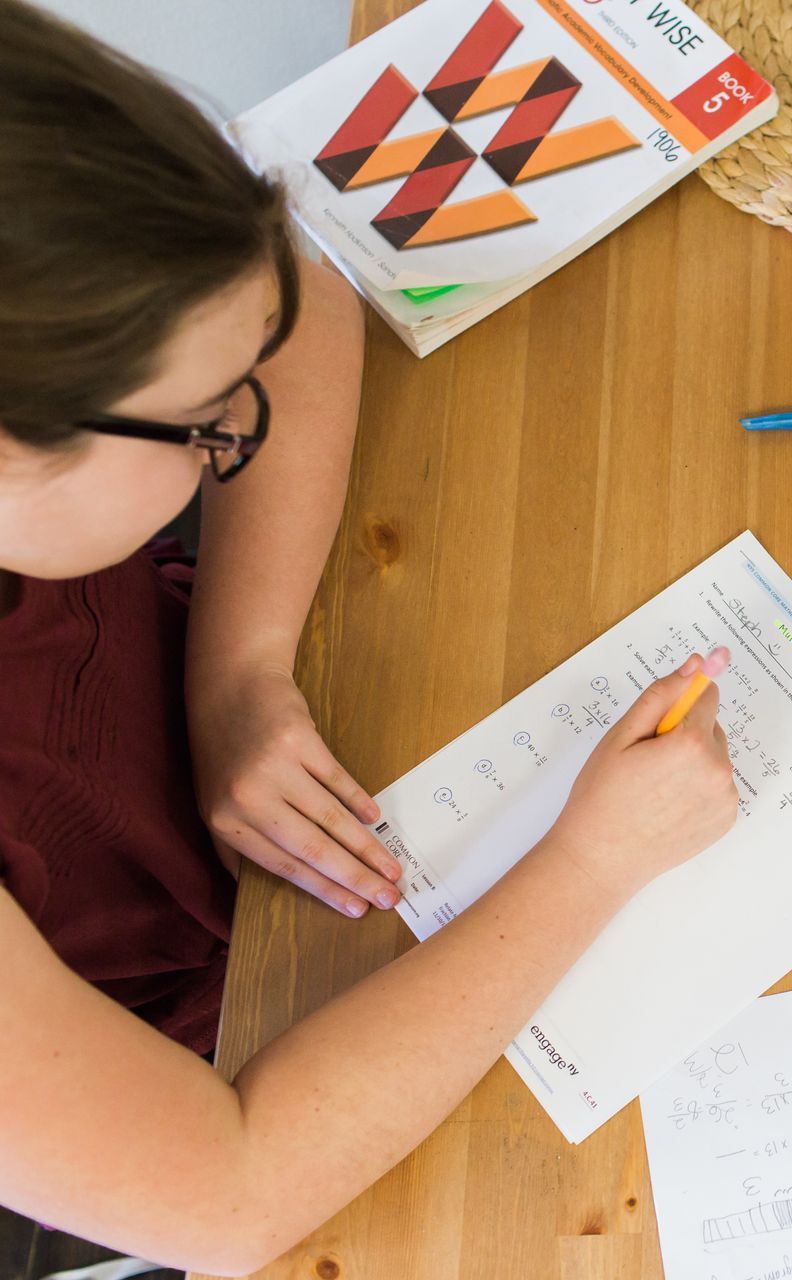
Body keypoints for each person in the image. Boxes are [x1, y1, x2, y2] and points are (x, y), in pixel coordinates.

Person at [0, 3, 738, 1272]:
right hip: (159, 1075)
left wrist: (235, 674)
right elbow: (229, 1195)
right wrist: (593, 864)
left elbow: (306, 280)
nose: (245, 415)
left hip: (194, 777)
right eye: (207, 428)